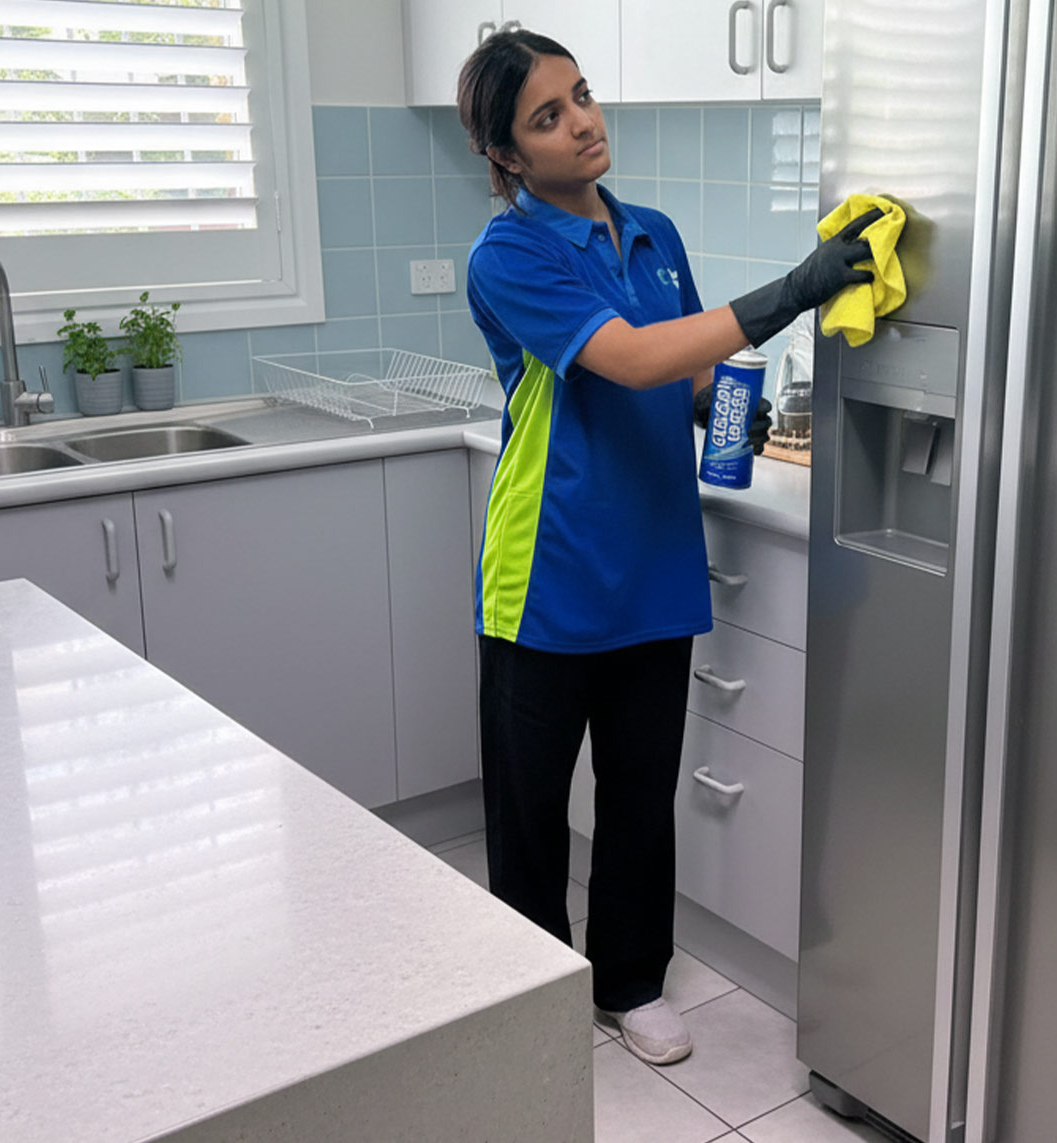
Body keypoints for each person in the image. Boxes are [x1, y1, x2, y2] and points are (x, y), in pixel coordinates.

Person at [456, 28, 878, 1067]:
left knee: (641, 799)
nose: (583, 123)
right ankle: (528, 993)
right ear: (509, 155)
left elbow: (686, 378)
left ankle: (630, 981)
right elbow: (635, 359)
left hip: (653, 566)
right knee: (531, 812)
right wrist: (793, 289)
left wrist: (742, 416)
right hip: (546, 576)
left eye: (582, 96)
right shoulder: (508, 254)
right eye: (547, 117)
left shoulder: (654, 232)